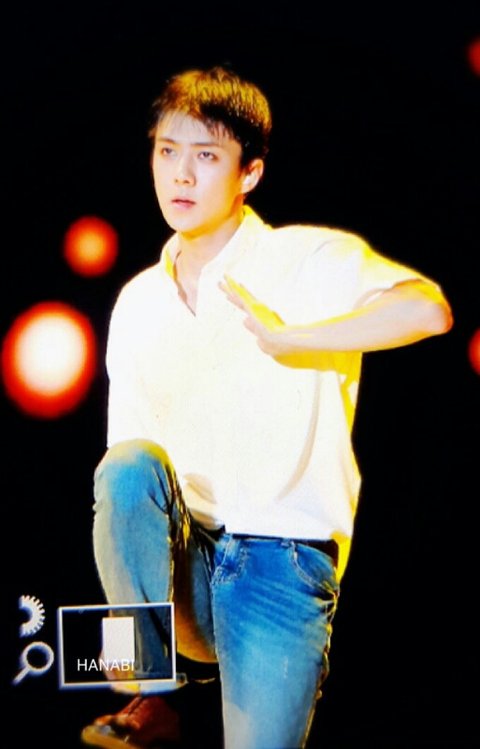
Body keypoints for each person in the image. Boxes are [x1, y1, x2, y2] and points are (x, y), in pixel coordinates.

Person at [81, 65, 453, 749]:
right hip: (191, 560)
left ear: (248, 172)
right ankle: (149, 695)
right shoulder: (137, 301)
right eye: (168, 151)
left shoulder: (305, 257)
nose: (181, 175)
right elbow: (128, 495)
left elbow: (428, 310)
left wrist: (294, 339)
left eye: (206, 155)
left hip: (282, 564)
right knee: (125, 467)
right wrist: (130, 644)